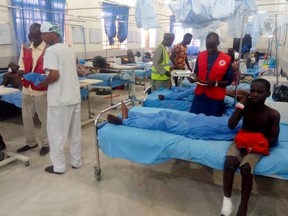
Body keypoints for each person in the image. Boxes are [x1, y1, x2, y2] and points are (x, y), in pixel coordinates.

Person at [220, 78, 280, 216]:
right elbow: (231, 125)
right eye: (252, 91)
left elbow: (273, 139)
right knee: (229, 163)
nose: (255, 94)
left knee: (246, 169)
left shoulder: (272, 114)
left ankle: (244, 205)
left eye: (260, 92)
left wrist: (253, 147)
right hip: (242, 139)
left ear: (268, 94)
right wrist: (240, 105)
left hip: (258, 143)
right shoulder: (245, 107)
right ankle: (227, 200)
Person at [39, 21, 82, 174]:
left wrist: (41, 83)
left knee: (56, 134)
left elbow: (54, 75)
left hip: (59, 99)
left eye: (45, 33)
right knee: (75, 133)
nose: (43, 37)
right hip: (74, 97)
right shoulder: (69, 50)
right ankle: (76, 161)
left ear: (54, 34)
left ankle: (59, 167)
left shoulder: (51, 51)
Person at [107, 102, 241, 141]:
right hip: (197, 118)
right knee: (165, 113)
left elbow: (233, 133)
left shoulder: (243, 130)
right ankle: (131, 114)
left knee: (162, 121)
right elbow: (231, 113)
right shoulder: (247, 116)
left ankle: (124, 122)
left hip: (194, 128)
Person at [17, 23, 50, 156]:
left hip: (41, 89)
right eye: (32, 36)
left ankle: (46, 143)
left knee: (44, 119)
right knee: (26, 118)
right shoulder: (25, 47)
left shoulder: (48, 49)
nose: (33, 40)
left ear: (42, 35)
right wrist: (20, 69)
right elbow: (21, 62)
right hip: (27, 88)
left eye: (36, 37)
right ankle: (30, 142)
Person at [189, 32, 234, 116]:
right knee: (194, 118)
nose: (209, 49)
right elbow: (196, 71)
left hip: (215, 97)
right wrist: (195, 77)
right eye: (207, 46)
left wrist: (216, 83)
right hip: (200, 95)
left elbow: (229, 80)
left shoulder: (226, 59)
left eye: (212, 46)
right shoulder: (201, 55)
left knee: (212, 121)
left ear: (218, 44)